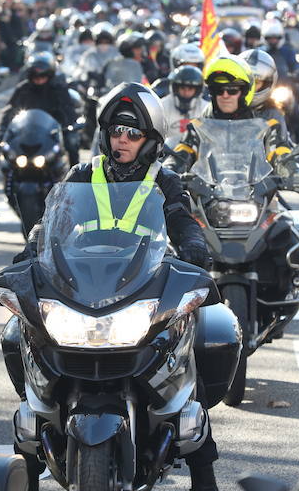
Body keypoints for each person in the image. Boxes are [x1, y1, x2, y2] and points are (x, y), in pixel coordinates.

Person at [12, 82, 219, 491]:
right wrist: (29, 251)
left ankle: (202, 468)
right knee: (16, 328)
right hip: (81, 285)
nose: (122, 140)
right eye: (116, 131)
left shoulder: (166, 181)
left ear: (150, 140)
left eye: (132, 133)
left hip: (143, 285)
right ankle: (30, 451)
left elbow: (182, 221)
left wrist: (195, 246)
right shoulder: (82, 175)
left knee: (211, 330)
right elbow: (51, 222)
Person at [169, 55, 299, 191]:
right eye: (219, 90)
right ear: (212, 93)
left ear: (244, 92)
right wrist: (169, 168)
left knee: (288, 220)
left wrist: (293, 171)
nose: (225, 95)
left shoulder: (267, 126)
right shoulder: (198, 127)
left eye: (232, 90)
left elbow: (278, 151)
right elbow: (182, 152)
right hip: (206, 199)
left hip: (257, 197)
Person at [0, 51, 79, 165]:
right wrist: (2, 127)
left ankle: (76, 178)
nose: (39, 79)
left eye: (43, 75)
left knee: (71, 143)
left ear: (50, 75)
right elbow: (10, 109)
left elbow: (68, 110)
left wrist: (68, 126)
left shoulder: (59, 89)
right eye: (35, 75)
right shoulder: (23, 89)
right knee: (6, 151)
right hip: (25, 134)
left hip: (52, 134)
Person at [160, 64, 206, 139]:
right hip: (167, 149)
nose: (186, 92)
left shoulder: (205, 108)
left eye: (190, 89)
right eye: (182, 88)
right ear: (175, 88)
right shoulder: (162, 107)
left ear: (197, 90)